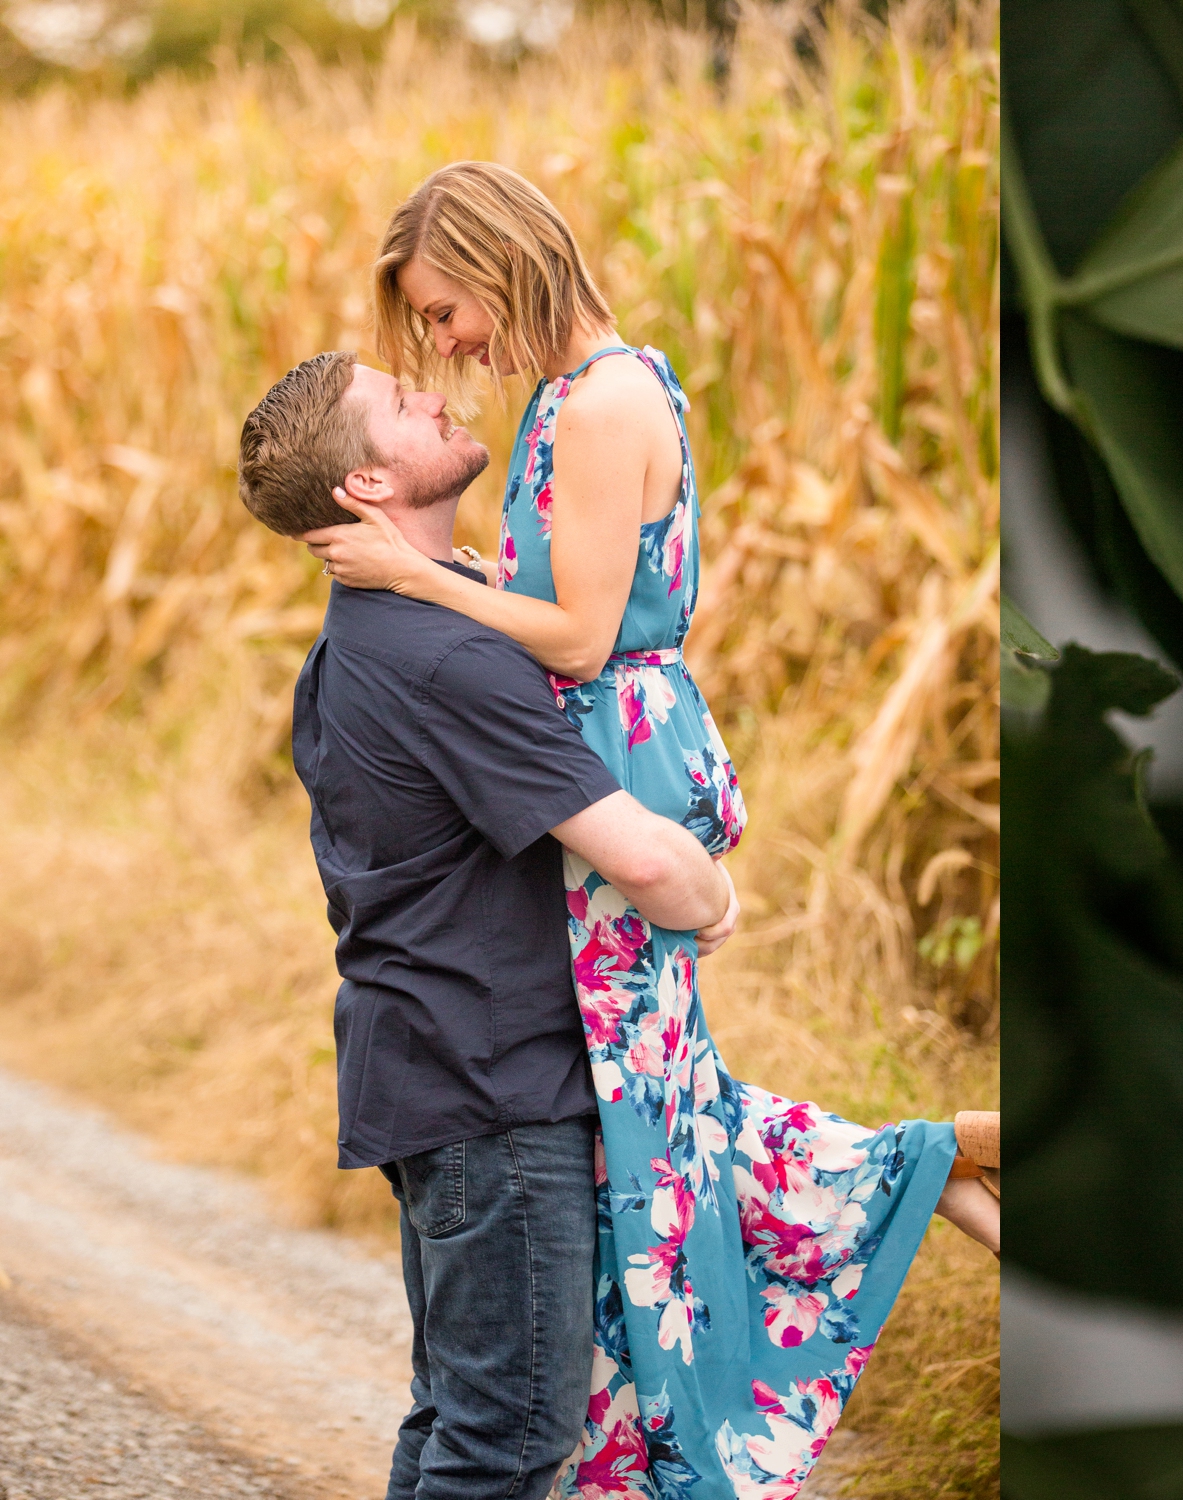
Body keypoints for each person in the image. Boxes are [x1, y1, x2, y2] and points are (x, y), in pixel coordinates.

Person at [292, 162, 997, 1500]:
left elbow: (581, 634)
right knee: (658, 1119)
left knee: (654, 1125)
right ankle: (929, 1164)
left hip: (612, 749)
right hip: (591, 749)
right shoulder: (568, 403)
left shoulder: (607, 401)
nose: (447, 345)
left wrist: (417, 579)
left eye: (446, 310)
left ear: (504, 263)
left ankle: (714, 1392)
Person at [238, 349, 743, 1500]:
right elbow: (643, 861)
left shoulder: (372, 631)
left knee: (463, 1420)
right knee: (508, 1441)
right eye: (398, 404)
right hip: (490, 1086)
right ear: (366, 485)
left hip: (432, 1070)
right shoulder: (447, 656)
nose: (431, 390)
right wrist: (711, 895)